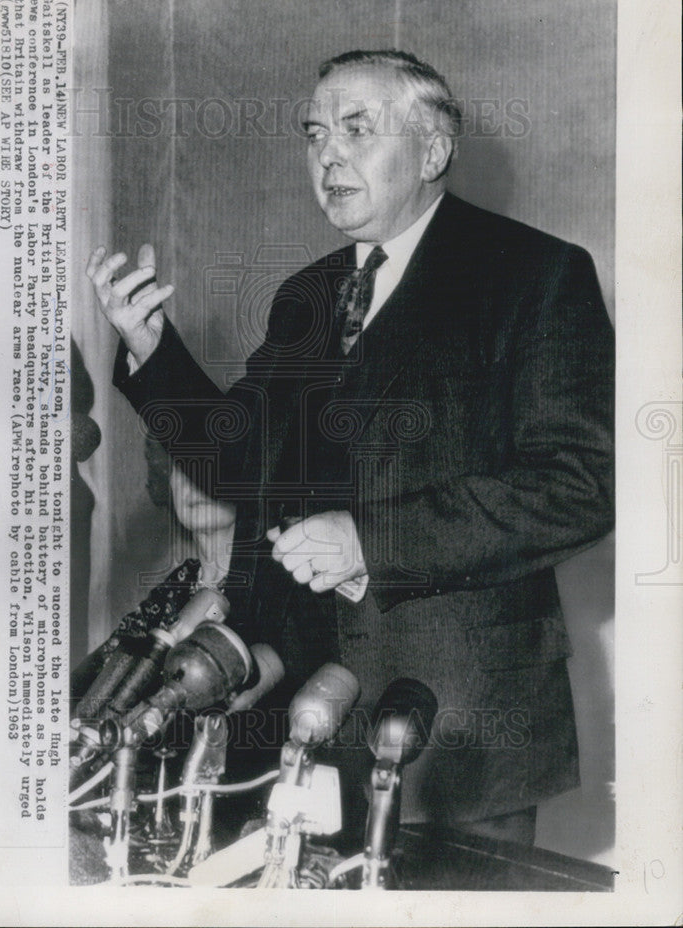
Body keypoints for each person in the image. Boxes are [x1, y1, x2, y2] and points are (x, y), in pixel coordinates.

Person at [87, 49, 614, 848]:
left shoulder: (535, 274)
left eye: (356, 130)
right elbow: (234, 459)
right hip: (297, 721)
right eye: (313, 134)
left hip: (459, 731)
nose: (326, 154)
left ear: (433, 152)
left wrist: (372, 540)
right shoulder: (311, 293)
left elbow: (580, 484)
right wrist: (153, 349)